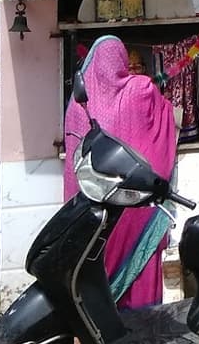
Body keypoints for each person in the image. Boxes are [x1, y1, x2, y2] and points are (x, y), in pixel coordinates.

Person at [62, 36, 178, 308]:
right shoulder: (141, 89)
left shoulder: (80, 104)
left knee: (95, 265)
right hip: (138, 207)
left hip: (94, 210)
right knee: (141, 267)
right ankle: (144, 327)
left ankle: (99, 324)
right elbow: (168, 120)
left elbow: (73, 161)